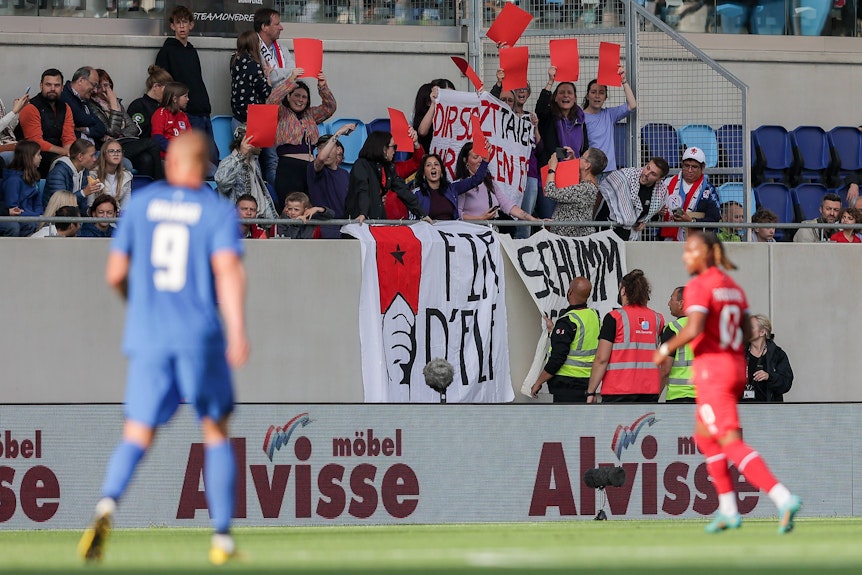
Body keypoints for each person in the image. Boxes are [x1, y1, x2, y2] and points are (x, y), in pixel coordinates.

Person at [78, 131, 249, 566]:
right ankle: (222, 539)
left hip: (150, 337)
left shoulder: (141, 207)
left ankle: (106, 505)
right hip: (199, 336)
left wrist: (142, 307)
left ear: (171, 164)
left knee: (137, 432)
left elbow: (116, 273)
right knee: (214, 431)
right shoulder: (215, 211)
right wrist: (237, 331)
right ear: (204, 167)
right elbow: (228, 272)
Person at [652, 232, 801, 533]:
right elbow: (745, 328)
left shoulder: (700, 286)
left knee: (729, 442)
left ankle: (782, 497)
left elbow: (693, 328)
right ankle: (729, 509)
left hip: (713, 372)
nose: (686, 256)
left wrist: (666, 348)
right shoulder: (734, 290)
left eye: (692, 251)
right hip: (733, 369)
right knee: (708, 439)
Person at [586, 269, 664, 403]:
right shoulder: (658, 319)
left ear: (623, 291)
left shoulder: (614, 318)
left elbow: (601, 359)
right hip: (649, 391)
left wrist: (591, 391)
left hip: (618, 391)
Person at [266, 68, 336, 212]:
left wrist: (322, 86)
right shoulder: (281, 112)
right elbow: (272, 100)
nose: (300, 100)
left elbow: (330, 107)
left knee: (308, 208)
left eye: (304, 97)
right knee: (291, 208)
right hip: (289, 168)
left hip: (311, 168)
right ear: (289, 96)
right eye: (297, 95)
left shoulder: (311, 114)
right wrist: (291, 80)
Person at [156, 6, 217, 162]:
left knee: (212, 157)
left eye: (185, 22)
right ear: (172, 26)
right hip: (186, 113)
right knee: (196, 159)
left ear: (191, 25)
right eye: (178, 23)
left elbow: (197, 79)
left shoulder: (192, 51)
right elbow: (162, 82)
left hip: (203, 110)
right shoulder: (167, 51)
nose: (182, 26)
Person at [530, 276, 600, 403]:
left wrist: (538, 382)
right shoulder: (594, 316)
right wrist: (554, 332)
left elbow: (557, 359)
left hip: (568, 386)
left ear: (570, 292)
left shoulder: (567, 321)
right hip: (589, 384)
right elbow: (580, 341)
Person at [535, 66, 589, 219]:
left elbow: (585, 148)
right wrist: (551, 81)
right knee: (550, 223)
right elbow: (539, 109)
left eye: (569, 93)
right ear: (556, 97)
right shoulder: (548, 117)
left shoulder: (581, 120)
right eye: (562, 93)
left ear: (575, 97)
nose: (566, 96)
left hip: (573, 180)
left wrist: (576, 159)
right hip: (549, 177)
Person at [90, 69, 163, 180]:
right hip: (110, 147)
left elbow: (133, 128)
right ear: (94, 88)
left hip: (128, 142)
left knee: (146, 159)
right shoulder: (93, 106)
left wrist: (119, 134)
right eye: (101, 86)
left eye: (107, 85)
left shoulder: (117, 103)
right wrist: (113, 104)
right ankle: (160, 183)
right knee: (152, 142)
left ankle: (142, 193)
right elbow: (110, 130)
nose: (105, 90)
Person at [345, 131, 431, 223]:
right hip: (360, 221)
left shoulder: (388, 168)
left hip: (377, 220)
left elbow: (403, 191)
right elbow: (362, 189)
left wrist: (422, 214)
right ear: (384, 149)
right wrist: (363, 213)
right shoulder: (361, 164)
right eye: (393, 147)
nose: (395, 150)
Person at [455, 141, 541, 231]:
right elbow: (458, 214)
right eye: (476, 157)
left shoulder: (489, 182)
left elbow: (506, 204)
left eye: (482, 156)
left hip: (493, 232)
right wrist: (481, 219)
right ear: (465, 160)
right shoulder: (461, 185)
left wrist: (534, 220)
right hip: (473, 234)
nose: (480, 160)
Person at [19, 68, 76, 179]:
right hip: (33, 153)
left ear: (62, 87)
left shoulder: (66, 107)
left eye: (57, 85)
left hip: (58, 152)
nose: (52, 89)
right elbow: (35, 142)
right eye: (48, 85)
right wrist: (64, 152)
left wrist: (70, 153)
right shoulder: (31, 107)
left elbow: (68, 137)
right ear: (41, 86)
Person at [595, 158, 671, 240]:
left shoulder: (660, 193)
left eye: (653, 174)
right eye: (647, 168)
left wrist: (644, 221)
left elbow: (649, 213)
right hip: (604, 229)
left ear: (660, 179)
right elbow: (605, 187)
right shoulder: (626, 177)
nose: (646, 173)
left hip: (626, 236)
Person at [214, 125, 277, 219]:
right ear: (247, 141)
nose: (262, 145)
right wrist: (241, 155)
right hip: (235, 224)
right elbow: (222, 182)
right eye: (259, 140)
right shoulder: (228, 161)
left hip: (255, 223)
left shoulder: (254, 163)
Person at [581, 68, 637, 174]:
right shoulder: (580, 116)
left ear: (605, 97)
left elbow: (632, 105)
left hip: (609, 170)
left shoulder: (609, 114)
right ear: (588, 96)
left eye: (601, 93)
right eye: (593, 92)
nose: (597, 96)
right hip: (589, 170)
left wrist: (624, 81)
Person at [544, 146, 608, 237]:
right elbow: (574, 180)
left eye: (581, 157)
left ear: (587, 165)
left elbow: (550, 192)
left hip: (572, 242)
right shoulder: (587, 184)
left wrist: (552, 168)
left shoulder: (586, 188)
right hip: (567, 239)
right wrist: (573, 162)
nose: (579, 159)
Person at [660, 147, 721, 241]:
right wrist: (659, 211)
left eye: (694, 167)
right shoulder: (667, 183)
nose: (689, 170)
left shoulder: (709, 190)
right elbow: (652, 210)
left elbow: (714, 218)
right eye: (686, 165)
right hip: (667, 240)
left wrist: (691, 221)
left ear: (703, 167)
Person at [412, 151, 490, 221]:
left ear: (441, 171)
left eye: (436, 164)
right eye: (429, 165)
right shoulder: (417, 193)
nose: (433, 167)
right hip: (429, 234)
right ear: (423, 173)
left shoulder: (452, 188)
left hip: (451, 233)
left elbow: (476, 180)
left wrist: (485, 161)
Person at [307, 127, 351, 238]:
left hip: (344, 225)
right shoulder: (313, 168)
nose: (323, 152)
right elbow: (321, 159)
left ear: (338, 150)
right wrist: (339, 132)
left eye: (328, 148)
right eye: (320, 149)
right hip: (324, 224)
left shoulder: (345, 174)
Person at [743, 313, 794, 402]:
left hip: (770, 411)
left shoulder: (777, 355)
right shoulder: (739, 354)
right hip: (742, 411)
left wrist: (769, 377)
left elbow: (786, 383)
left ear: (762, 332)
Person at [659, 287, 696, 403]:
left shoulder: (672, 329)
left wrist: (655, 397)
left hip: (678, 397)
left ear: (681, 303)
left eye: (671, 299)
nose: (669, 303)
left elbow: (665, 370)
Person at [44, 138, 100, 213]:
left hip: (74, 217)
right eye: (92, 155)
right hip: (55, 218)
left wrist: (90, 212)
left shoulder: (84, 170)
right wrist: (83, 193)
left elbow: (82, 203)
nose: (94, 159)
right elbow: (60, 203)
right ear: (80, 157)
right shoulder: (59, 171)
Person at [230, 30, 273, 127]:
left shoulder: (234, 62)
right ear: (255, 45)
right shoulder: (253, 65)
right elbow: (266, 92)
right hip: (252, 120)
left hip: (237, 118)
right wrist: (267, 76)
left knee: (239, 143)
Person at [1, 140, 43, 237]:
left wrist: (39, 216)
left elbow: (38, 203)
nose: (41, 157)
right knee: (28, 225)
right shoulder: (13, 181)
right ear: (29, 157)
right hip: (21, 218)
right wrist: (35, 217)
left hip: (32, 217)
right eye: (38, 154)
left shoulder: (35, 178)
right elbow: (13, 208)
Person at [128, 65, 173, 140]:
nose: (168, 94)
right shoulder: (139, 105)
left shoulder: (166, 106)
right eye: (167, 90)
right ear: (156, 86)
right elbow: (137, 133)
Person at [151, 82, 191, 159]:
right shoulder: (161, 113)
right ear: (175, 99)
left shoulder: (183, 115)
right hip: (167, 157)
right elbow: (157, 137)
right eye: (185, 96)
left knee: (211, 168)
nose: (188, 99)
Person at [90, 140, 133, 210]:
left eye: (119, 151)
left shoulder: (127, 176)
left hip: (117, 216)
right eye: (111, 151)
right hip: (98, 216)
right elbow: (90, 204)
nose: (116, 154)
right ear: (104, 154)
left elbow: (126, 206)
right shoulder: (93, 175)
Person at [0, 93, 29, 166]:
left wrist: (18, 111)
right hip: (4, 145)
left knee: (32, 147)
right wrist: (14, 111)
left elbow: (8, 129)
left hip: (8, 141)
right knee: (25, 150)